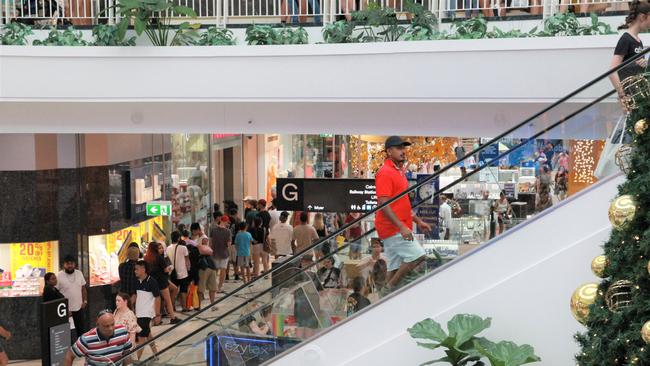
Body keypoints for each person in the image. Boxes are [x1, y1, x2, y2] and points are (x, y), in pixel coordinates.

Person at [375, 136, 431, 290]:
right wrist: (401, 227)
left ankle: (385, 297)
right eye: (399, 148)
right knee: (418, 255)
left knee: (394, 267)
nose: (403, 151)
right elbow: (383, 203)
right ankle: (390, 288)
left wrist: (417, 221)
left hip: (397, 226)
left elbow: (402, 203)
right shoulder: (385, 172)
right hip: (392, 228)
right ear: (389, 151)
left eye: (403, 148)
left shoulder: (399, 171)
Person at [610, 0, 650, 111]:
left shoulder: (638, 40)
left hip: (639, 94)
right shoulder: (626, 39)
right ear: (643, 17)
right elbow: (612, 70)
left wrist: (645, 64)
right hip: (631, 96)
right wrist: (623, 96)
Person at [64, 311, 132, 366]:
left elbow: (126, 352)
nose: (111, 328)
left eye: (112, 324)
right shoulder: (86, 339)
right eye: (106, 326)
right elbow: (69, 356)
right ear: (98, 325)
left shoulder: (122, 331)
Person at [143, 242, 180, 325]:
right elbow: (165, 269)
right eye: (158, 248)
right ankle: (173, 317)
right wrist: (170, 268)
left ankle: (157, 320)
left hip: (152, 281)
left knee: (156, 301)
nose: (161, 249)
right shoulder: (159, 258)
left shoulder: (146, 258)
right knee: (168, 300)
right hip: (162, 281)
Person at [133, 260, 160, 360]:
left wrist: (157, 314)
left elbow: (157, 298)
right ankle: (156, 354)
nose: (135, 271)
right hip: (139, 313)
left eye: (137, 269)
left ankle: (137, 360)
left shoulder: (152, 282)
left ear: (143, 269)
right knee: (148, 335)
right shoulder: (137, 281)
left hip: (147, 314)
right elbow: (136, 295)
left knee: (141, 338)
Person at [57, 255, 88, 339]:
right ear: (64, 265)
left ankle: (81, 347)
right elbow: (56, 293)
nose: (70, 266)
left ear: (75, 264)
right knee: (66, 333)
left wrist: (85, 301)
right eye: (67, 264)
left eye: (71, 263)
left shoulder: (79, 273)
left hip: (79, 308)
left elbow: (83, 288)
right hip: (66, 310)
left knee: (81, 331)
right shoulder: (59, 275)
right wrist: (64, 308)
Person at [166, 232, 191, 312]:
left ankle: (172, 307)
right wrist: (188, 269)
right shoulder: (183, 248)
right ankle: (184, 307)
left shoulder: (168, 248)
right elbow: (187, 261)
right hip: (183, 272)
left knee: (173, 291)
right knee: (183, 290)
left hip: (173, 273)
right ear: (178, 238)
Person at [209, 215, 232, 294]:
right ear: (225, 221)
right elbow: (228, 244)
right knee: (223, 271)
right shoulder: (228, 231)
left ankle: (214, 287)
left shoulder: (213, 230)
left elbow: (210, 242)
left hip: (215, 253)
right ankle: (219, 288)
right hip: (224, 253)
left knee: (215, 271)